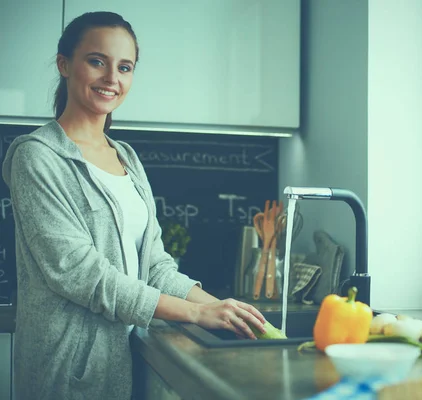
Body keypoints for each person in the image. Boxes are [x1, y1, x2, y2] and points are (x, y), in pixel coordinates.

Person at [2, 11, 267, 400]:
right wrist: (194, 313)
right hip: (67, 370)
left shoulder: (126, 157)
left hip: (125, 358)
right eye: (97, 61)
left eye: (124, 67)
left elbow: (154, 265)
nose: (112, 78)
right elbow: (80, 274)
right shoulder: (37, 158)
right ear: (64, 64)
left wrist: (222, 308)